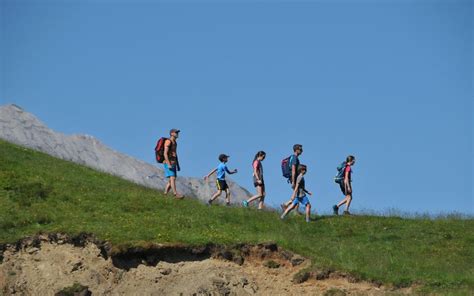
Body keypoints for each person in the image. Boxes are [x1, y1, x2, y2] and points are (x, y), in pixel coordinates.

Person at [280, 144, 303, 211]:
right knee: (297, 194)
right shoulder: (294, 158)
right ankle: (286, 204)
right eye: (300, 149)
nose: (302, 151)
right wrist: (293, 181)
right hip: (294, 178)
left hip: (294, 178)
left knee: (297, 194)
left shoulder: (294, 157)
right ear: (296, 150)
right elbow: (293, 170)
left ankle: (295, 211)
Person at [163, 128, 183, 199]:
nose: (177, 134)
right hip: (168, 162)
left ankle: (165, 194)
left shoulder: (175, 142)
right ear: (171, 133)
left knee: (170, 180)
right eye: (176, 132)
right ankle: (175, 194)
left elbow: (175, 154)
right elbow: (165, 153)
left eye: (177, 132)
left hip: (173, 162)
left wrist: (178, 165)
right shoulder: (168, 141)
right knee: (173, 178)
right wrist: (168, 164)